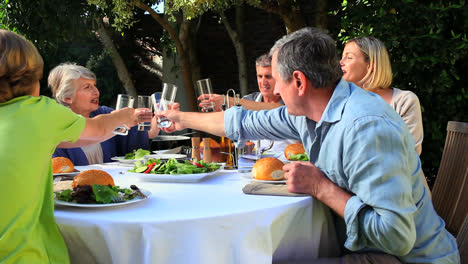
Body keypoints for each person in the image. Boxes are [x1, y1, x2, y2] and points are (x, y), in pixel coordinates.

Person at [158, 27, 459, 263]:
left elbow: (396, 236)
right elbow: (243, 122)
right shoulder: (310, 113)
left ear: (299, 82)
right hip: (359, 247)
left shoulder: (365, 127)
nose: (272, 89)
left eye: (276, 80)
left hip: (405, 259)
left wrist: (321, 187)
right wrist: (181, 118)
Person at [0, 29, 149, 263]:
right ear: (30, 76)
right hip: (22, 255)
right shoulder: (37, 111)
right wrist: (126, 115)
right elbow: (98, 130)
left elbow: (88, 137)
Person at [340, 37, 430, 194]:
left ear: (371, 65)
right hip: (355, 191)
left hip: (403, 195)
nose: (341, 62)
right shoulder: (343, 102)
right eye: (342, 57)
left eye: (349, 57)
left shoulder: (404, 101)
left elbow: (409, 152)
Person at [48, 63, 166, 165]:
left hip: (112, 185)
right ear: (68, 98)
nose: (96, 92)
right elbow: (59, 171)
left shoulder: (104, 113)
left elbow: (142, 134)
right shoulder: (56, 125)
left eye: (94, 85)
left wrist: (160, 116)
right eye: (87, 87)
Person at [243, 53, 296, 155]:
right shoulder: (247, 100)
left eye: (268, 77)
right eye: (260, 76)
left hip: (289, 163)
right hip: (254, 166)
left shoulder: (292, 102)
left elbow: (280, 110)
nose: (263, 82)